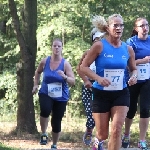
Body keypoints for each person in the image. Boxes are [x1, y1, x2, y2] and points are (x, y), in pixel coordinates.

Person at [79, 14, 137, 150]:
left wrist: (134, 76)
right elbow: (83, 67)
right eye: (115, 25)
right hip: (101, 94)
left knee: (116, 130)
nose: (119, 28)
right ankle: (96, 143)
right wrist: (98, 79)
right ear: (108, 28)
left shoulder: (127, 49)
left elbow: (134, 69)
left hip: (121, 93)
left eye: (121, 25)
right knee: (102, 135)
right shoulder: (99, 46)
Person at [32, 38, 75, 149]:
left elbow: (72, 81)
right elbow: (37, 72)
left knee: (56, 120)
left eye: (58, 46)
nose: (56, 48)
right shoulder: (45, 61)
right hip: (46, 92)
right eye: (54, 46)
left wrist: (65, 77)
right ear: (51, 47)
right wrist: (35, 85)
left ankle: (55, 144)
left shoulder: (65, 64)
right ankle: (44, 134)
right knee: (45, 110)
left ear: (61, 48)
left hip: (61, 97)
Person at [122, 17, 150, 150]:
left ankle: (142, 140)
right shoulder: (131, 42)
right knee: (131, 109)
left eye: (146, 25)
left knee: (145, 109)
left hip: (147, 80)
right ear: (136, 29)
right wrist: (143, 60)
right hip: (133, 79)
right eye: (141, 26)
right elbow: (127, 64)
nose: (145, 28)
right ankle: (126, 134)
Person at [76, 28, 105, 146]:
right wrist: (86, 80)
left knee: (101, 115)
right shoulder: (87, 53)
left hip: (102, 87)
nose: (99, 41)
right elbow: (79, 68)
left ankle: (99, 141)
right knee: (90, 114)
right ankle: (89, 129)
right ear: (93, 39)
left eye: (101, 39)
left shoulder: (106, 54)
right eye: (97, 39)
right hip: (89, 86)